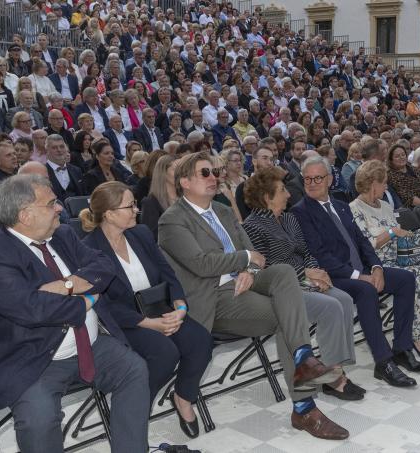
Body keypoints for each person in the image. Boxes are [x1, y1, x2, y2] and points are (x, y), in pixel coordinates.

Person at [157, 152, 349, 440]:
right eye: (205, 173)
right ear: (184, 181)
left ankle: (303, 359)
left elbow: (257, 258)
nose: (214, 178)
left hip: (247, 284)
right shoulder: (172, 221)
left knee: (284, 271)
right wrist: (244, 259)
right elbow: (202, 264)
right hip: (214, 297)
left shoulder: (222, 211)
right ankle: (304, 406)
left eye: (215, 172)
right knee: (288, 316)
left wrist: (248, 267)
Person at [0, 174, 150, 452]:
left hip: (91, 346)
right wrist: (88, 298)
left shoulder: (63, 234)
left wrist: (69, 284)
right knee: (38, 420)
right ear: (25, 215)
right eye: (51, 203)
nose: (59, 208)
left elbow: (104, 266)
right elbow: (35, 310)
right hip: (33, 358)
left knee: (135, 370)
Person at [81, 182, 213, 438]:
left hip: (159, 308)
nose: (136, 210)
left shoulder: (139, 233)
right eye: (130, 205)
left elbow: (167, 273)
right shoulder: (88, 248)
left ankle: (184, 397)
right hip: (126, 321)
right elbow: (104, 303)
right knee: (163, 354)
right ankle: (134, 408)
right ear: (108, 213)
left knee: (201, 341)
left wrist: (181, 307)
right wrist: (147, 323)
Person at [291, 156, 420, 387]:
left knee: (405, 279)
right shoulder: (301, 211)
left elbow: (363, 242)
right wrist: (359, 276)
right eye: (307, 179)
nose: (312, 183)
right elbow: (320, 254)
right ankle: (383, 362)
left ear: (330, 180)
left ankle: (402, 348)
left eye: (318, 178)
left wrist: (376, 268)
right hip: (334, 276)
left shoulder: (342, 206)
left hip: (361, 269)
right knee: (366, 290)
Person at [241, 167, 364, 400]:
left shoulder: (288, 218)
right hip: (282, 291)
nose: (289, 194)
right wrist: (306, 274)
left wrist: (317, 273)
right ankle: (333, 379)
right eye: (282, 190)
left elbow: (306, 251)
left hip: (307, 279)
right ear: (268, 197)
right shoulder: (252, 227)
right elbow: (265, 268)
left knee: (345, 300)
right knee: (330, 307)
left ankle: (333, 370)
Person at [349, 161, 420, 359]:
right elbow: (366, 246)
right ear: (373, 184)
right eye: (384, 183)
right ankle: (416, 336)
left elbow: (401, 238)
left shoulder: (386, 206)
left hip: (399, 258)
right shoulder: (354, 209)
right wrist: (392, 232)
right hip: (377, 264)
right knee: (418, 276)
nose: (387, 187)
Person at [387, 142, 420, 208]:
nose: (401, 157)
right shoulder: (391, 175)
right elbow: (410, 198)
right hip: (414, 210)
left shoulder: (412, 168)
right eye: (397, 156)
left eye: (403, 155)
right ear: (391, 160)